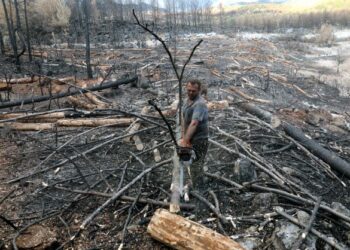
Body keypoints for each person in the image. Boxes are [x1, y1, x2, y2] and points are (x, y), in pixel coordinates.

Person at [180, 79, 209, 192]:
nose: (191, 93)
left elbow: (194, 123)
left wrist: (185, 140)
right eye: (189, 90)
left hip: (199, 140)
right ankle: (193, 183)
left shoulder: (200, 104)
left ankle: (200, 190)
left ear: (199, 90)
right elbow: (184, 120)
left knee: (196, 165)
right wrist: (184, 137)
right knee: (188, 163)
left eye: (194, 91)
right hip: (189, 138)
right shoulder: (187, 101)